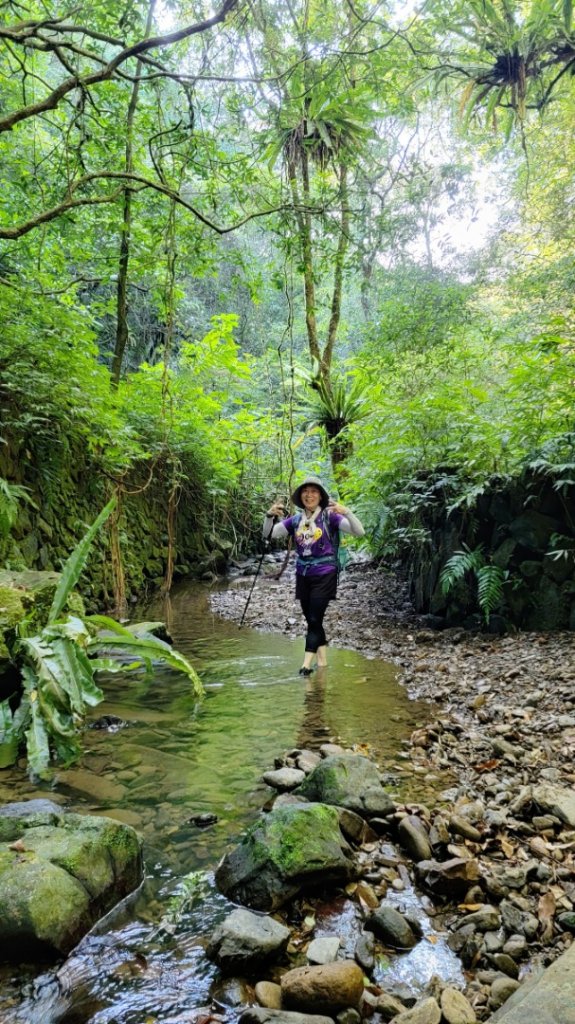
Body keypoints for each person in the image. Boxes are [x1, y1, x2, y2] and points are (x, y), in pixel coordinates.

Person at [263, 475, 365, 675]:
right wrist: (268, 516)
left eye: (314, 491)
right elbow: (269, 534)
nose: (309, 495)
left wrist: (348, 512)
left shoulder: (331, 517)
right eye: (305, 492)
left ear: (321, 496)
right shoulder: (295, 521)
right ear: (301, 497)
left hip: (325, 573)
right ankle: (323, 664)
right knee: (312, 620)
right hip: (303, 575)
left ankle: (305, 665)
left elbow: (359, 532)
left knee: (314, 617)